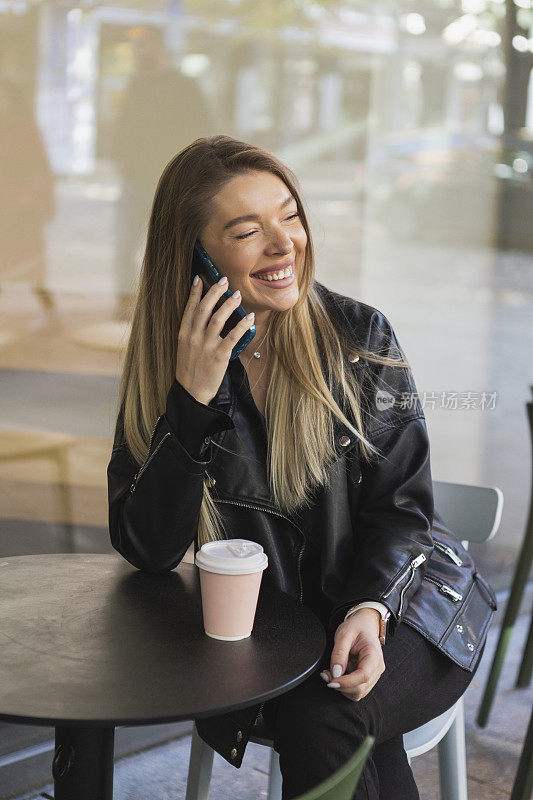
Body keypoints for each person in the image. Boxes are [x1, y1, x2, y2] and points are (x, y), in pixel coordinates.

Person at [107, 134, 497, 799]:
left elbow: (399, 510)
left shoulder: (356, 336)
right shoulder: (170, 372)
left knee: (324, 716)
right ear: (195, 258)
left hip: (407, 600)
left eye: (289, 215)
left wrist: (369, 612)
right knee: (332, 721)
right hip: (275, 637)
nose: (286, 243)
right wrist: (192, 406)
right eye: (246, 230)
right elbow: (148, 549)